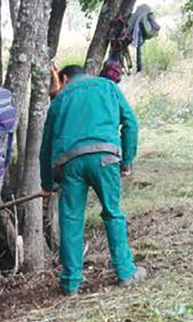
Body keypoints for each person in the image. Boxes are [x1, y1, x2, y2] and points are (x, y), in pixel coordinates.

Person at [40, 64, 146, 295]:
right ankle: (126, 272)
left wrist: (47, 185)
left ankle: (70, 283)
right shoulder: (108, 87)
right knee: (112, 212)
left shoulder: (60, 99)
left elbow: (46, 145)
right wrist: (126, 161)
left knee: (71, 219)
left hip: (70, 163)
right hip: (105, 158)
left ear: (65, 78)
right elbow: (131, 123)